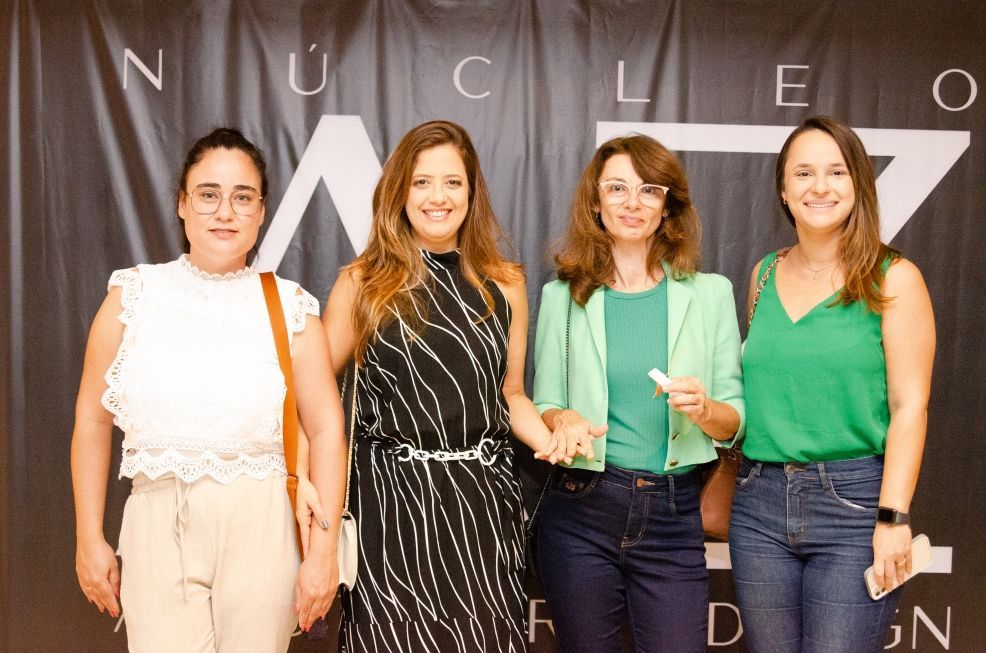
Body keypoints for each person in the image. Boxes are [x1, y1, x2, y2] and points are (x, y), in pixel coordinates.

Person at [70, 128, 347, 652]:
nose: (225, 212)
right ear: (182, 203)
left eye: (243, 197)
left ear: (261, 212)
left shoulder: (292, 308)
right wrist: (88, 536)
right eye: (208, 194)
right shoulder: (133, 295)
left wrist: (324, 551)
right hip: (156, 520)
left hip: (261, 521)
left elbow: (328, 429)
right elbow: (92, 419)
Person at [322, 120, 553, 651]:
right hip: (389, 507)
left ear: (472, 193)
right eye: (421, 182)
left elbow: (511, 394)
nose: (438, 197)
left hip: (482, 508)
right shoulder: (362, 282)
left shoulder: (506, 283)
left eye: (453, 182)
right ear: (399, 191)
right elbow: (315, 397)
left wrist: (551, 440)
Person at [729, 116, 936, 653]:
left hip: (855, 507)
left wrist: (893, 518)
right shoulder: (764, 274)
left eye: (836, 172)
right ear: (783, 190)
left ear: (859, 183)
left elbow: (909, 406)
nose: (819, 186)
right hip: (758, 504)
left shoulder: (895, 278)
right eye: (803, 173)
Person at [531, 134, 745, 653]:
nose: (633, 202)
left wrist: (705, 409)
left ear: (667, 206)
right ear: (595, 202)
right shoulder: (562, 297)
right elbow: (544, 404)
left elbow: (735, 420)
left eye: (649, 190)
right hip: (581, 507)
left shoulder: (710, 294)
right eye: (617, 188)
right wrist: (563, 419)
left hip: (673, 510)